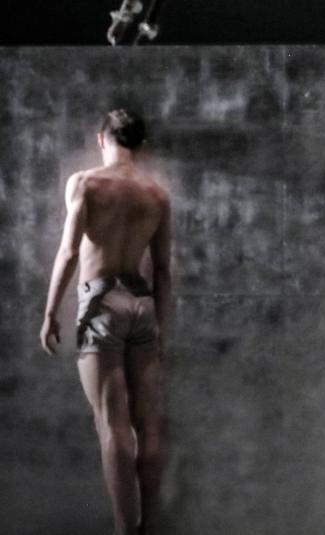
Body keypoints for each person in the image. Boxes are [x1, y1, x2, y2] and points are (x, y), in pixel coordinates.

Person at [40, 109, 172, 535]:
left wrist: (50, 313)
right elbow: (163, 270)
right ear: (141, 146)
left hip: (101, 304)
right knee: (148, 426)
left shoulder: (86, 184)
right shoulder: (156, 194)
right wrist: (160, 328)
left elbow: (69, 252)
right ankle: (151, 524)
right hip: (141, 302)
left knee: (112, 424)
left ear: (102, 139)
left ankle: (124, 528)